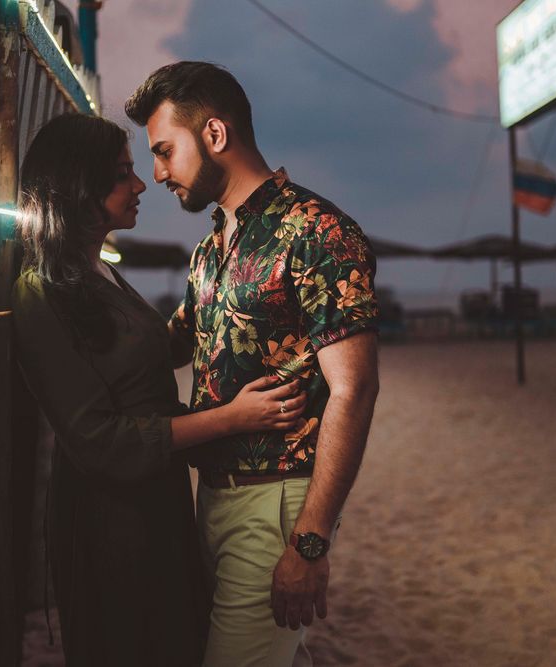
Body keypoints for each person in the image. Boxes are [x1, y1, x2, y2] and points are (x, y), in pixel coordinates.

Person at [11, 113, 308, 667]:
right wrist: (234, 419)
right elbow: (99, 440)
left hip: (158, 499)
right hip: (110, 522)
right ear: (79, 185)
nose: (141, 183)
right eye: (123, 173)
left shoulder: (98, 273)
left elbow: (150, 358)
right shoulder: (41, 292)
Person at [126, 62, 381, 666]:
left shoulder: (317, 232)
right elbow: (173, 343)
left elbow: (355, 390)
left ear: (215, 135)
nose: (157, 173)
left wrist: (311, 543)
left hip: (279, 506)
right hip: (212, 500)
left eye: (165, 151)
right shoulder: (211, 247)